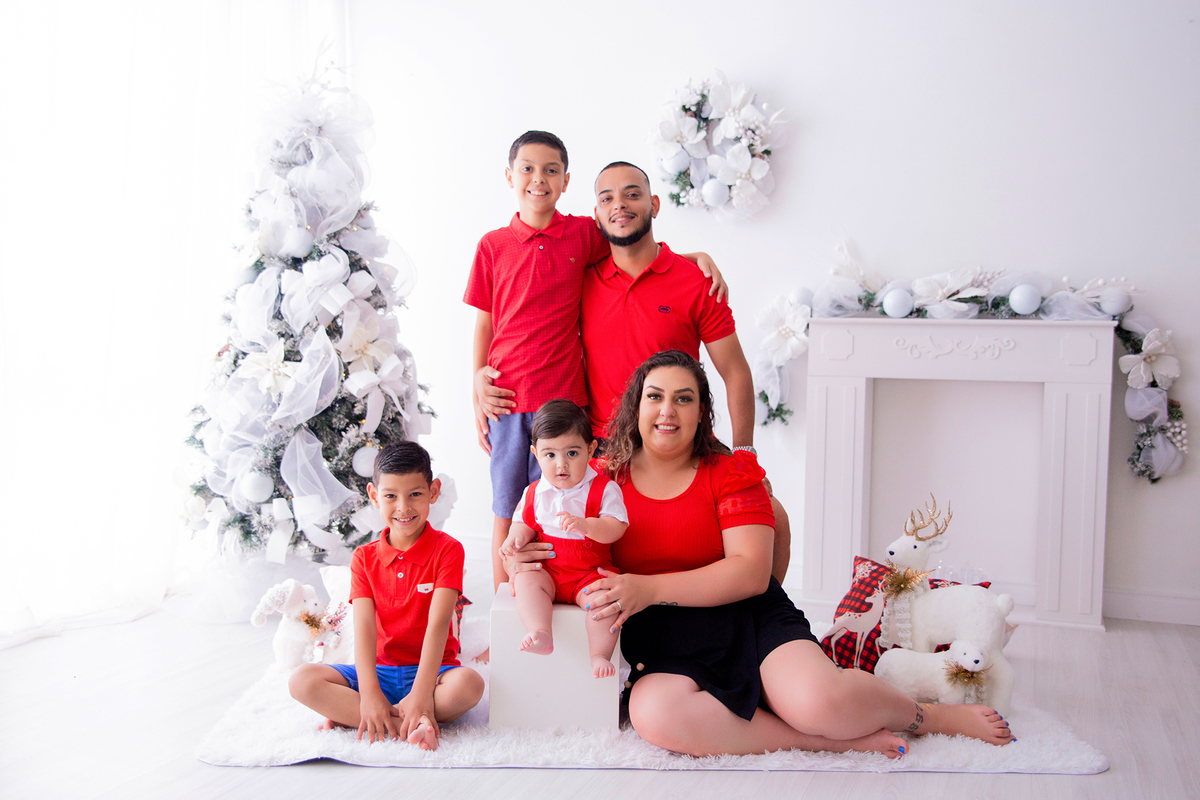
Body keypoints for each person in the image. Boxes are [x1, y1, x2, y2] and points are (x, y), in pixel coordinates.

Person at [505, 351, 1014, 758]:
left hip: (746, 616)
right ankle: (817, 743)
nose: (666, 410)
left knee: (821, 702)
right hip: (658, 634)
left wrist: (649, 587)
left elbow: (750, 573)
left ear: (702, 412)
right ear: (634, 407)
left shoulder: (731, 473)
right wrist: (519, 556)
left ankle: (930, 716)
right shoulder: (596, 477)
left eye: (683, 398)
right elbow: (542, 532)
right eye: (655, 396)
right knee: (655, 717)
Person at [479, 160, 791, 584]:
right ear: (596, 214)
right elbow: (519, 312)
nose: (619, 205)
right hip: (605, 446)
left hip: (679, 438)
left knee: (772, 515)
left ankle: (760, 623)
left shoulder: (695, 280)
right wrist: (481, 375)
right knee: (552, 537)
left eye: (632, 194)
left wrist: (745, 454)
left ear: (654, 204)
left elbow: (735, 371)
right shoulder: (581, 278)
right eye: (606, 198)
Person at [464, 132, 726, 613]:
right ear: (509, 176)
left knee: (573, 499)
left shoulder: (582, 234)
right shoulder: (493, 245)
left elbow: (632, 245)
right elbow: (484, 320)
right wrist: (476, 379)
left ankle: (572, 596)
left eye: (550, 171)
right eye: (526, 169)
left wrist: (693, 260)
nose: (537, 180)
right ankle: (505, 611)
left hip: (566, 401)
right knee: (509, 507)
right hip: (508, 401)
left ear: (565, 181)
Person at [288, 442, 484, 751]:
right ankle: (406, 724)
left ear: (434, 491)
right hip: (378, 672)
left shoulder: (449, 550)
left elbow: (438, 624)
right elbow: (364, 628)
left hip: (433, 674)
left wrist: (421, 694)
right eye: (391, 496)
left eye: (415, 494)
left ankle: (369, 717)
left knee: (470, 686)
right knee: (301, 681)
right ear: (374, 495)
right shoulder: (364, 558)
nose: (403, 508)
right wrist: (368, 694)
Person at [499, 399, 628, 678]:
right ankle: (540, 631)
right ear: (535, 453)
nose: (561, 465)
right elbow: (523, 522)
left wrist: (587, 525)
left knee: (605, 601)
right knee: (526, 581)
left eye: (572, 453)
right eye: (550, 455)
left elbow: (616, 527)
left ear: (591, 449)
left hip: (588, 575)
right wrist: (514, 540)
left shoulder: (604, 489)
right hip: (549, 572)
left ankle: (599, 654)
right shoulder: (534, 492)